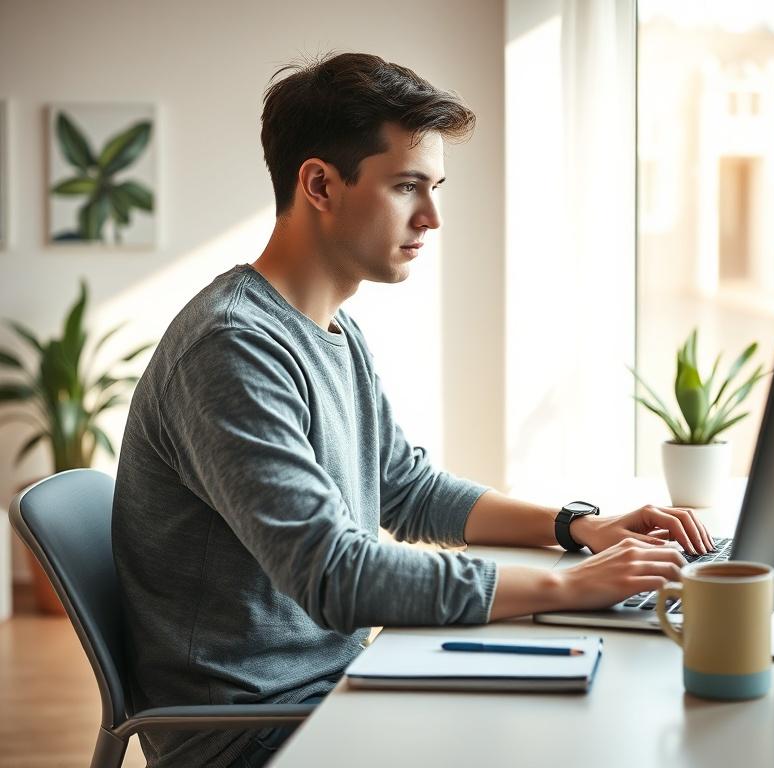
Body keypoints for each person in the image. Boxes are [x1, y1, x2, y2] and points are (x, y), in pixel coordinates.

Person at [112, 52, 712, 768]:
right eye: (407, 187)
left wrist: (576, 528)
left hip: (331, 693)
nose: (432, 216)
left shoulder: (331, 327)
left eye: (435, 188)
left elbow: (405, 486)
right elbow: (336, 575)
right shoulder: (232, 350)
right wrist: (567, 584)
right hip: (257, 735)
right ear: (319, 185)